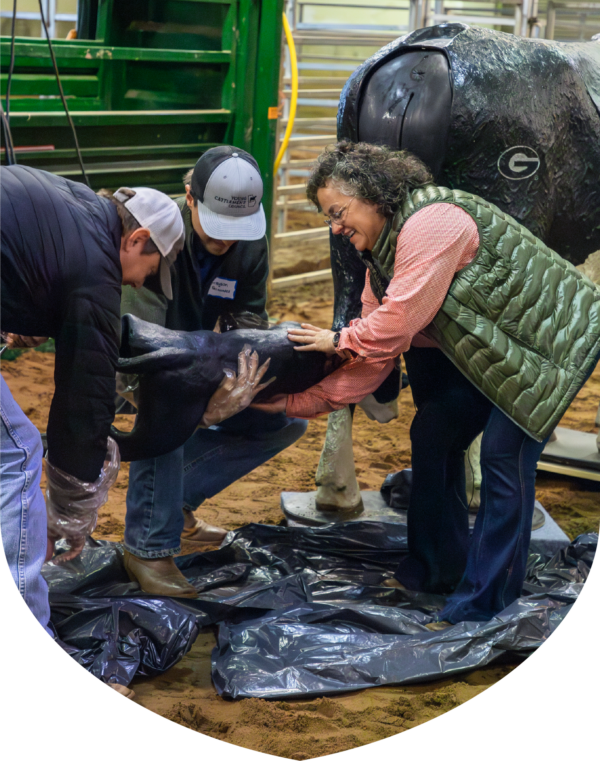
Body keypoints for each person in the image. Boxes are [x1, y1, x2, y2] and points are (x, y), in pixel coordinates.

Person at [255, 141, 600, 624]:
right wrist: (295, 402)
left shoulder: (433, 222)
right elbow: (373, 362)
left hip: (556, 346)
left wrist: (336, 339)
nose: (335, 228)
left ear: (372, 195)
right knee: (433, 433)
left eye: (338, 212)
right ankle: (436, 570)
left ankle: (486, 602)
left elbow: (394, 325)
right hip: (501, 352)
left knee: (504, 456)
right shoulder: (382, 265)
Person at [0, 166, 186, 694]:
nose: (139, 283)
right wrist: (73, 508)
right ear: (137, 238)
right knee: (16, 453)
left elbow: (22, 252)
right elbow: (84, 400)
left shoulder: (76, 205)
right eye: (148, 269)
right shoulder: (96, 266)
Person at [121, 146, 307, 598]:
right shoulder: (158, 239)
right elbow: (132, 341)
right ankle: (147, 547)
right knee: (166, 414)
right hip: (138, 360)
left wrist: (242, 379)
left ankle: (176, 506)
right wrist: (195, 400)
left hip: (204, 360)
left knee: (278, 421)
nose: (227, 241)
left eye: (237, 230)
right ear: (190, 198)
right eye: (218, 227)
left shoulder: (251, 242)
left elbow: (248, 318)